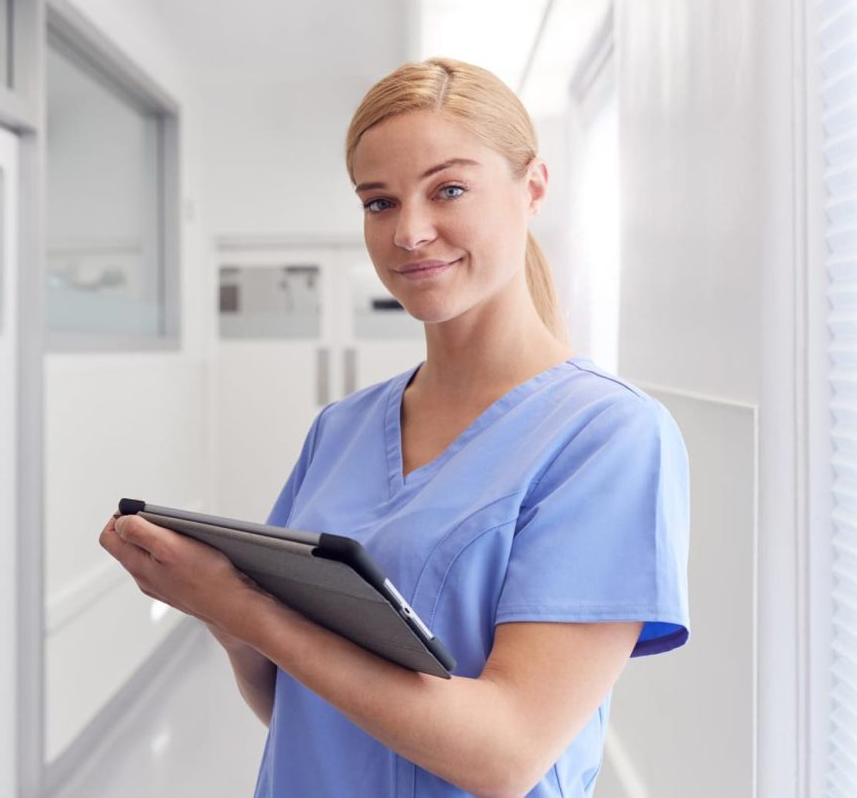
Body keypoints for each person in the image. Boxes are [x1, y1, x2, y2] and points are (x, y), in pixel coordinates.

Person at [100, 57, 691, 798]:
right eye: (378, 202)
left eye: (448, 189)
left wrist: (242, 606)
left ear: (532, 187)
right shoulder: (342, 428)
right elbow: (298, 707)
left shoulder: (608, 437)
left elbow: (506, 757)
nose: (410, 232)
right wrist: (223, 619)